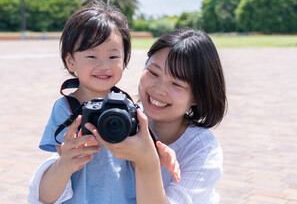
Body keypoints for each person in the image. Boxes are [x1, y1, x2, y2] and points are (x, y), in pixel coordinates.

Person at [29, 26, 227, 203]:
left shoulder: (202, 151)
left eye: (176, 84)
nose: (159, 89)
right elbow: (47, 194)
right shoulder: (117, 117)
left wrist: (147, 161)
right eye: (153, 73)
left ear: (196, 96)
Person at [28, 0, 180, 204]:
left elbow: (137, 164)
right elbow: (56, 174)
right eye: (91, 56)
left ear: (124, 59)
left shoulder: (127, 107)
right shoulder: (66, 109)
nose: (103, 66)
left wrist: (155, 153)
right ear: (71, 61)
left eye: (113, 57)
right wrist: (67, 158)